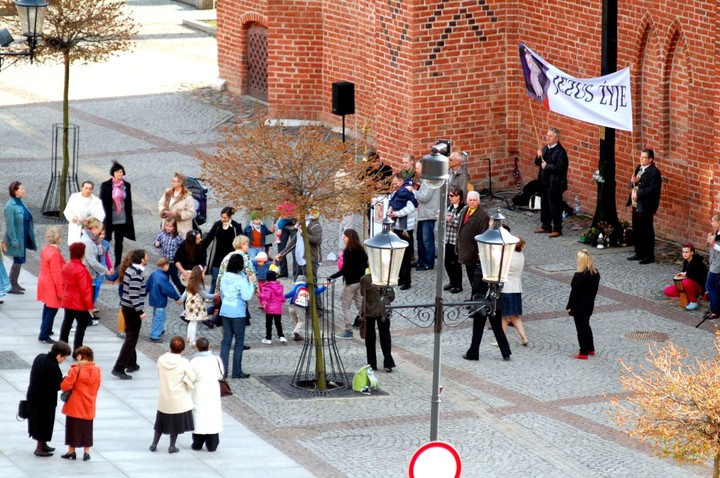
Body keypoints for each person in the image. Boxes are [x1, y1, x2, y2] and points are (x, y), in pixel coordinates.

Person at [150, 336, 196, 453]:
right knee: (175, 423)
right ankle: (172, 445)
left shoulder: (161, 359)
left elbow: (158, 373)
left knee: (160, 422)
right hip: (178, 397)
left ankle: (154, 443)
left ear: (170, 347)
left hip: (164, 396)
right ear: (183, 350)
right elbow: (192, 377)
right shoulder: (183, 362)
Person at [26, 341, 71, 457]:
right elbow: (56, 386)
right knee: (44, 423)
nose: (63, 360)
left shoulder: (40, 357)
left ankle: (43, 444)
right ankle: (39, 448)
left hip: (33, 395)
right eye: (64, 357)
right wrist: (65, 380)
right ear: (59, 355)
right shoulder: (53, 367)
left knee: (39, 422)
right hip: (45, 400)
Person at [59, 345, 101, 461]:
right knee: (87, 428)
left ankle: (71, 451)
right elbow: (97, 386)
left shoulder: (76, 370)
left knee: (72, 428)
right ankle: (86, 452)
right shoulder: (97, 370)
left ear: (81, 356)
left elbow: (65, 386)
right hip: (89, 403)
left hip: (75, 404)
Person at [111, 249, 148, 380]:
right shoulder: (136, 274)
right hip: (132, 309)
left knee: (130, 336)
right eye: (146, 256)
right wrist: (141, 312)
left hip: (127, 307)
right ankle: (119, 367)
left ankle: (132, 363)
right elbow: (134, 295)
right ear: (142, 259)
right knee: (131, 339)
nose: (147, 258)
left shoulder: (130, 270)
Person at [328, 229, 368, 339]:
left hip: (350, 283)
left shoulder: (348, 252)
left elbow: (345, 270)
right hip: (360, 282)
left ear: (350, 238)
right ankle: (368, 324)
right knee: (360, 305)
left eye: (345, 237)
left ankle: (348, 331)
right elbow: (366, 265)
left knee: (345, 306)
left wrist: (332, 277)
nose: (343, 238)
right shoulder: (361, 250)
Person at [219, 254, 254, 379]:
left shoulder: (224, 277)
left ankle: (223, 371)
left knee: (226, 342)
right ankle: (237, 371)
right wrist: (251, 283)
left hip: (225, 311)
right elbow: (246, 296)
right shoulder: (241, 280)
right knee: (239, 342)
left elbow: (222, 294)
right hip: (237, 312)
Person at [626, 148, 662, 264]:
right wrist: (632, 181)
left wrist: (639, 194)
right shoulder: (638, 168)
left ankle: (648, 255)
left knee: (646, 230)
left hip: (646, 205)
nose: (641, 159)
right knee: (637, 228)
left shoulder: (654, 172)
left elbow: (653, 189)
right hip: (636, 203)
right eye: (640, 157)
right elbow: (633, 182)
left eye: (643, 157)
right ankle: (639, 252)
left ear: (650, 159)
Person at [99, 161, 136, 269]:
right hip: (110, 219)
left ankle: (117, 264)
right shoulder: (106, 185)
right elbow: (102, 201)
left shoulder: (126, 185)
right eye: (117, 172)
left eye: (121, 171)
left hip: (121, 218)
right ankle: (104, 262)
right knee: (106, 242)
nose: (119, 174)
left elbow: (128, 201)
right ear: (113, 173)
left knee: (119, 242)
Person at [533, 127, 568, 238]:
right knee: (545, 205)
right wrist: (538, 156)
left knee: (555, 206)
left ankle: (557, 228)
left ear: (556, 138)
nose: (547, 137)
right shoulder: (545, 149)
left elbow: (560, 168)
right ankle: (546, 225)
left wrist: (547, 166)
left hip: (555, 184)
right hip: (544, 182)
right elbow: (538, 163)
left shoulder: (561, 152)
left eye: (550, 136)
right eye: (547, 135)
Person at [58, 243, 94, 353]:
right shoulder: (81, 270)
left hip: (68, 300)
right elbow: (85, 290)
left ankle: (61, 349)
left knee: (66, 324)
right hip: (79, 303)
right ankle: (77, 351)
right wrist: (90, 306)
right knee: (80, 328)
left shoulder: (67, 266)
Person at [189, 337, 223, 452]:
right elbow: (221, 374)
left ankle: (198, 442)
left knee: (199, 414)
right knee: (213, 414)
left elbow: (190, 377)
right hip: (213, 388)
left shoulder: (194, 362)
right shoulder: (216, 359)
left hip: (199, 390)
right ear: (209, 347)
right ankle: (212, 443)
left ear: (197, 348)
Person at [566, 249, 601, 359]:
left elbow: (574, 294)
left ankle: (583, 352)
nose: (576, 260)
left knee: (580, 328)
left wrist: (569, 306)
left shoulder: (579, 276)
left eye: (578, 258)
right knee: (586, 325)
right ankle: (590, 348)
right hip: (589, 304)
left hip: (579, 305)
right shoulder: (595, 274)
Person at [495, 237, 529, 346]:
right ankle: (523, 337)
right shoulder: (521, 256)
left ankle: (501, 339)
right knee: (514, 315)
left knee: (503, 315)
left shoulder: (508, 257)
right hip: (516, 288)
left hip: (506, 288)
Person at [4, 180, 37, 294]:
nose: (24, 190)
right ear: (15, 191)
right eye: (21, 189)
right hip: (17, 238)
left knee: (20, 259)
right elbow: (10, 226)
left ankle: (15, 282)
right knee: (17, 260)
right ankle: (11, 284)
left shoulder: (20, 202)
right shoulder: (10, 206)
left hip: (23, 236)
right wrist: (13, 240)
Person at [456, 190, 490, 299]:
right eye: (470, 200)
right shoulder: (465, 210)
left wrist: (478, 251)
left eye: (474, 200)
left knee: (475, 278)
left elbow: (483, 235)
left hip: (473, 252)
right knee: (470, 276)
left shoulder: (482, 216)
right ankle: (473, 297)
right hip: (465, 250)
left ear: (478, 201)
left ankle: (475, 298)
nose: (472, 202)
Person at [360, 272, 396, 372]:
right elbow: (392, 296)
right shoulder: (387, 277)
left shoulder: (365, 279)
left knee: (370, 338)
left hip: (369, 311)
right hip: (384, 310)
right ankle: (388, 363)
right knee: (385, 336)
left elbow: (363, 293)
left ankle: (372, 364)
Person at [80, 218, 114, 322]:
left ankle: (88, 317)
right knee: (87, 296)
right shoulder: (88, 241)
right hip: (87, 272)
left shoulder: (91, 239)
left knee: (90, 294)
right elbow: (92, 261)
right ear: (94, 228)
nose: (100, 231)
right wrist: (105, 271)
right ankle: (85, 319)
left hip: (90, 272)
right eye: (99, 229)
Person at [202, 207, 242, 294]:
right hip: (217, 255)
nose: (223, 219)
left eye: (225, 218)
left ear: (230, 217)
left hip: (230, 256)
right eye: (222, 217)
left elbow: (240, 240)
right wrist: (201, 247)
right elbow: (209, 237)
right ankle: (212, 294)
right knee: (215, 278)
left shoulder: (236, 226)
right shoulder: (217, 225)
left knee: (228, 278)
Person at [388, 174, 418, 290]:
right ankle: (400, 277)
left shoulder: (410, 193)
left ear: (401, 181)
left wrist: (396, 214)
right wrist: (390, 212)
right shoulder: (396, 193)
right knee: (397, 254)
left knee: (405, 256)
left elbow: (410, 208)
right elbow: (392, 204)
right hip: (397, 227)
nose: (394, 185)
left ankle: (407, 280)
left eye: (396, 183)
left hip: (406, 228)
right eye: (393, 183)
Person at [276, 208, 323, 282]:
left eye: (296, 214)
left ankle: (314, 294)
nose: (295, 217)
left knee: (312, 284)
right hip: (301, 258)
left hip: (311, 259)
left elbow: (317, 240)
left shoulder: (314, 225)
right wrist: (282, 253)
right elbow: (294, 241)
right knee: (301, 283)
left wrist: (304, 234)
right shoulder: (301, 224)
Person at [37, 226, 66, 344]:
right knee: (52, 309)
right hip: (51, 284)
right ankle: (44, 333)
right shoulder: (54, 253)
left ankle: (46, 329)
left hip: (44, 281)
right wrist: (60, 292)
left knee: (47, 307)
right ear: (57, 239)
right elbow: (56, 275)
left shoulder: (46, 249)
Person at [146, 257, 182, 342]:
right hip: (160, 300)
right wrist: (176, 297)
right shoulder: (163, 277)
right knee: (159, 317)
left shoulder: (154, 274)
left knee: (157, 316)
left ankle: (159, 330)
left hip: (153, 298)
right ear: (165, 265)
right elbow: (168, 289)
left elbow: (147, 285)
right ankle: (155, 335)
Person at [663, 242, 707, 310]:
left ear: (692, 253)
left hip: (699, 287)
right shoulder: (686, 261)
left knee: (685, 282)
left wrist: (686, 274)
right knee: (668, 291)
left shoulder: (698, 262)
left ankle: (694, 302)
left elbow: (698, 276)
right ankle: (688, 296)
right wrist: (681, 275)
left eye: (687, 252)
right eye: (683, 252)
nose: (684, 254)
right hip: (688, 285)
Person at [284, 275, 327, 342]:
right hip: (300, 307)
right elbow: (319, 291)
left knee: (296, 321)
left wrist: (282, 297)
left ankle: (297, 335)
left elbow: (290, 294)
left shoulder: (297, 287)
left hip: (291, 306)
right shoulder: (310, 289)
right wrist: (325, 285)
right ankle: (296, 332)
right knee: (302, 320)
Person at [414, 159, 439, 271]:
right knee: (420, 238)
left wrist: (414, 192)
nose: (416, 170)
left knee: (427, 240)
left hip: (428, 214)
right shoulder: (425, 180)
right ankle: (421, 261)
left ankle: (428, 263)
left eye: (418, 168)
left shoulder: (430, 180)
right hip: (423, 213)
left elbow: (424, 197)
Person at [63, 180, 105, 245]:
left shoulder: (97, 201)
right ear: (82, 188)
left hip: (90, 229)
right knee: (76, 248)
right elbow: (67, 211)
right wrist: (74, 219)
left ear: (92, 190)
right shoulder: (74, 197)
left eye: (90, 189)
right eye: (86, 188)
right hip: (76, 227)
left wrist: (92, 222)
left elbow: (101, 215)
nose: (88, 190)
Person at [183, 266, 213, 347]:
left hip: (190, 305)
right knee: (194, 323)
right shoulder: (198, 285)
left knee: (191, 322)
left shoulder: (190, 282)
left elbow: (184, 293)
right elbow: (205, 295)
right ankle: (192, 341)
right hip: (195, 307)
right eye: (203, 273)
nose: (204, 274)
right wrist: (215, 295)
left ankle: (189, 337)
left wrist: (180, 299)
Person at [158, 172, 196, 237]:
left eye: (174, 181)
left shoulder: (187, 197)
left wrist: (177, 215)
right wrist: (163, 211)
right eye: (172, 180)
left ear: (180, 183)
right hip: (167, 226)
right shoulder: (168, 192)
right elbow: (161, 203)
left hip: (180, 228)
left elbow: (191, 212)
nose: (172, 182)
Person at [444, 187, 466, 294]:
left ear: (459, 197)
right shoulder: (450, 207)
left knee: (456, 264)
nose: (450, 198)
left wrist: (449, 220)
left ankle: (458, 285)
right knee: (447, 263)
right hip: (448, 239)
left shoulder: (463, 209)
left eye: (452, 196)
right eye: (449, 195)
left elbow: (459, 223)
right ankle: (452, 281)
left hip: (456, 241)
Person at [155, 219, 185, 293]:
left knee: (174, 277)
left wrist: (180, 256)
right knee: (163, 277)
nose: (168, 228)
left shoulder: (177, 236)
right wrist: (157, 244)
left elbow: (183, 246)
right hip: (164, 261)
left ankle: (182, 290)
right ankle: (163, 290)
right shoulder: (162, 234)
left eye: (170, 226)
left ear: (175, 227)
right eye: (166, 226)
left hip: (172, 261)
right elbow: (157, 241)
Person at [258, 270, 286, 344]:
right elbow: (283, 299)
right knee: (278, 323)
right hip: (278, 309)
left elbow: (266, 297)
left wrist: (259, 295)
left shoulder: (268, 287)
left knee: (268, 324)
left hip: (269, 308)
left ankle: (268, 338)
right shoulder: (279, 287)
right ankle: (281, 336)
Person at [274, 200, 297, 279]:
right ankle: (283, 271)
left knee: (295, 250)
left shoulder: (296, 199)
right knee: (281, 248)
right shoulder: (281, 199)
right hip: (283, 227)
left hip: (294, 227)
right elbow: (277, 212)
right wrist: (273, 223)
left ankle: (296, 274)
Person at [705, 214, 720, 320]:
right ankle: (716, 308)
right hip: (714, 260)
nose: (711, 223)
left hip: (718, 263)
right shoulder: (717, 232)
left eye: (713, 221)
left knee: (709, 285)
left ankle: (715, 311)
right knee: (716, 286)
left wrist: (712, 243)